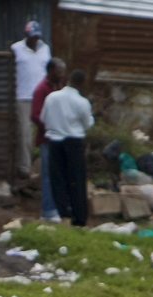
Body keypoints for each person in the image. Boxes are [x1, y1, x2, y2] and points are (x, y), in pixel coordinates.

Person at [43, 68, 95, 227]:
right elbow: (88, 124)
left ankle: (63, 213)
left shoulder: (52, 97)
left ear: (68, 80)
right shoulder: (82, 102)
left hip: (55, 141)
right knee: (76, 180)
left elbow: (43, 118)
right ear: (81, 84)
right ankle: (79, 218)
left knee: (58, 178)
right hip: (74, 141)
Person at [11, 21, 51, 180]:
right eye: (32, 37)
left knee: (44, 132)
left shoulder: (45, 49)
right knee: (24, 135)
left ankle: (43, 168)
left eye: (36, 37)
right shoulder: (16, 49)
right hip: (23, 97)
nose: (35, 40)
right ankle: (25, 168)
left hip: (42, 98)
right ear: (26, 35)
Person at [30, 58, 67, 222]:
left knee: (59, 174)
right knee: (48, 176)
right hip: (48, 138)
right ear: (51, 71)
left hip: (61, 137)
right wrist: (52, 126)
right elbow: (35, 115)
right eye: (60, 71)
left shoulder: (60, 88)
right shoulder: (41, 90)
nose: (62, 74)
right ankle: (48, 211)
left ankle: (57, 207)